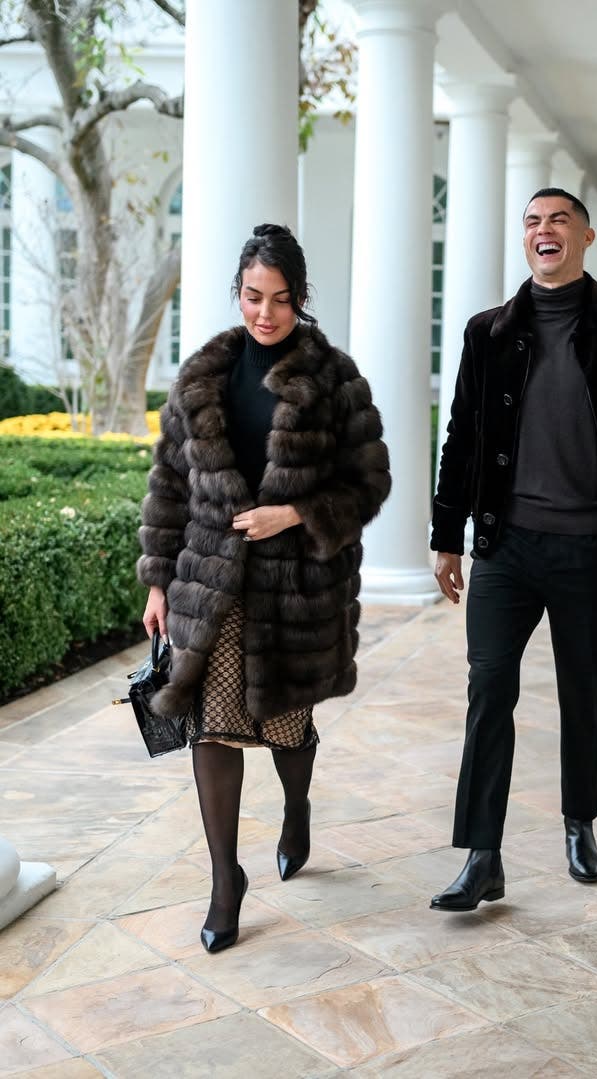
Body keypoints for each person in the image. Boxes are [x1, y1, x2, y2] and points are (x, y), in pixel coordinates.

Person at [138, 224, 391, 953]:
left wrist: (299, 513)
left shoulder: (335, 379)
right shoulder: (201, 378)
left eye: (280, 299)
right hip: (213, 581)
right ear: (237, 293)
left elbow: (368, 481)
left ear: (300, 298)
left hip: (297, 588)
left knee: (285, 728)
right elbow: (168, 485)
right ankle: (225, 879)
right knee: (211, 727)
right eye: (253, 296)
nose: (265, 313)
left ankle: (297, 805)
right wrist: (158, 579)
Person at [429, 188, 597, 911]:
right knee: (488, 689)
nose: (544, 230)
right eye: (532, 221)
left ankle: (579, 824)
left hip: (589, 548)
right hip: (505, 545)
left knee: (582, 691)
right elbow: (462, 437)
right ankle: (482, 853)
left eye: (558, 220)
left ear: (586, 236)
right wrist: (447, 534)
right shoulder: (489, 333)